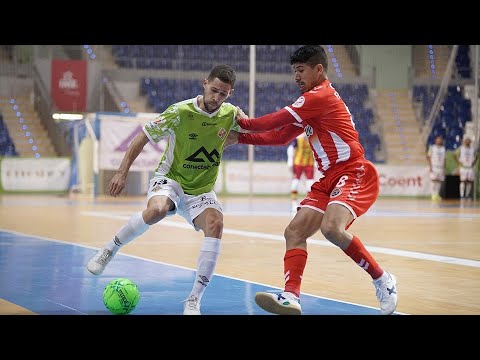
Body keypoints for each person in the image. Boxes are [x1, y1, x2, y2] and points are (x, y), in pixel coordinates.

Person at [227, 45, 398, 315]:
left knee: (332, 228)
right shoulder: (311, 102)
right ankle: (291, 296)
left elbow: (275, 120)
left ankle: (383, 280)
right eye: (294, 70)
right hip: (329, 177)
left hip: (354, 171)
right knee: (294, 232)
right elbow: (281, 136)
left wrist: (243, 123)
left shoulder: (320, 96)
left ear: (319, 69)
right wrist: (240, 138)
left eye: (301, 70)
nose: (296, 76)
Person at [86, 64, 244, 315]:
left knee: (216, 225)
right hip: (170, 179)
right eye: (214, 90)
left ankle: (193, 300)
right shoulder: (180, 111)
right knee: (157, 210)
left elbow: (248, 133)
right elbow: (142, 137)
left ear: (230, 94)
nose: (216, 98)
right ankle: (109, 249)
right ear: (204, 83)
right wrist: (121, 171)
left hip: (201, 191)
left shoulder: (231, 115)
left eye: (223, 94)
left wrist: (238, 130)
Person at [287, 132, 315, 212]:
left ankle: (309, 201)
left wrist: (317, 162)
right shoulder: (299, 138)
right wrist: (290, 161)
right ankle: (294, 202)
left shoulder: (313, 138)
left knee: (310, 182)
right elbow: (291, 149)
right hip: (299, 163)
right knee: (296, 180)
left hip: (309, 163)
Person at [455, 135, 478, 200]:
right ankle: (462, 195)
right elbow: (455, 155)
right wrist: (459, 162)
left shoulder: (473, 149)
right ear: (464, 141)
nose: (467, 141)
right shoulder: (461, 148)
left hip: (470, 167)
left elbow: (476, 156)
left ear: (470, 141)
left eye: (469, 140)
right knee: (463, 181)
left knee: (469, 181)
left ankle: (467, 195)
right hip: (463, 167)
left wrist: (474, 163)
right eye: (466, 140)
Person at [426, 135, 446, 201]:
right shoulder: (432, 147)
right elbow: (428, 157)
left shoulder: (443, 149)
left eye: (440, 139)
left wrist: (444, 168)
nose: (439, 140)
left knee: (439, 181)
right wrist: (430, 166)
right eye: (438, 139)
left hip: (441, 167)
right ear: (435, 140)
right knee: (433, 181)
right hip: (434, 166)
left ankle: (437, 194)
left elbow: (444, 159)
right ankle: (433, 195)